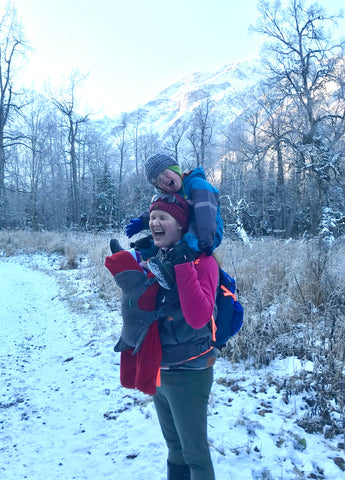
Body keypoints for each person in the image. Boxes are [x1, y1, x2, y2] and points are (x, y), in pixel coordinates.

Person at [148, 193, 218, 480]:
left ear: (180, 226)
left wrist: (183, 265)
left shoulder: (204, 263)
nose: (155, 222)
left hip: (189, 372)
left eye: (163, 217)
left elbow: (198, 317)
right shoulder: (156, 260)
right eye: (152, 217)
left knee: (195, 455)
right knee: (174, 450)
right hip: (159, 371)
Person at [126, 154, 223, 257]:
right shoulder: (172, 196)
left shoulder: (198, 184)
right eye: (159, 180)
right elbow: (163, 211)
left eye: (164, 172)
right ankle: (133, 255)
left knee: (179, 247)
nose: (164, 179)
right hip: (184, 231)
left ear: (175, 169)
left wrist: (206, 243)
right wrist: (143, 221)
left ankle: (164, 263)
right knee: (157, 239)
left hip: (208, 232)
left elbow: (205, 216)